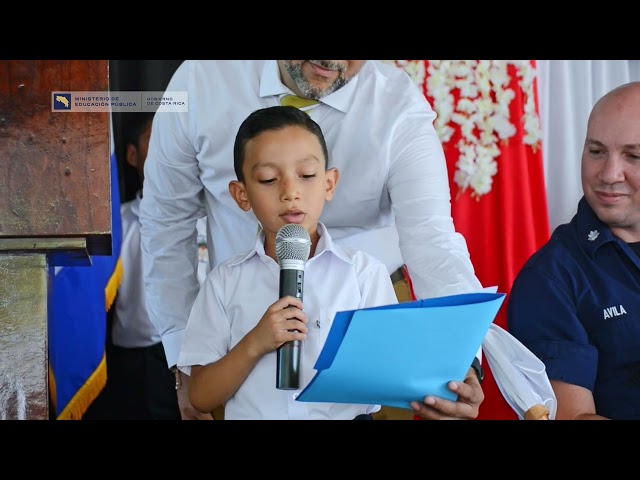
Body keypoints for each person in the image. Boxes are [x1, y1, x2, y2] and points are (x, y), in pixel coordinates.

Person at [140, 60, 485, 420]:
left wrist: (460, 358)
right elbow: (165, 220)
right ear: (241, 192)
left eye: (307, 175)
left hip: (371, 321)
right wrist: (186, 362)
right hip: (236, 335)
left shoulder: (397, 105)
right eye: (269, 179)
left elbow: (433, 239)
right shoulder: (200, 79)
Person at [507, 81, 640, 420]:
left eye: (634, 156)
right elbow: (571, 416)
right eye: (596, 151)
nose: (609, 175)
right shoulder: (550, 279)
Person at [87, 111, 212, 420]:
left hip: (204, 354)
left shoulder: (215, 221)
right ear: (132, 155)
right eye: (157, 140)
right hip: (137, 361)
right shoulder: (115, 223)